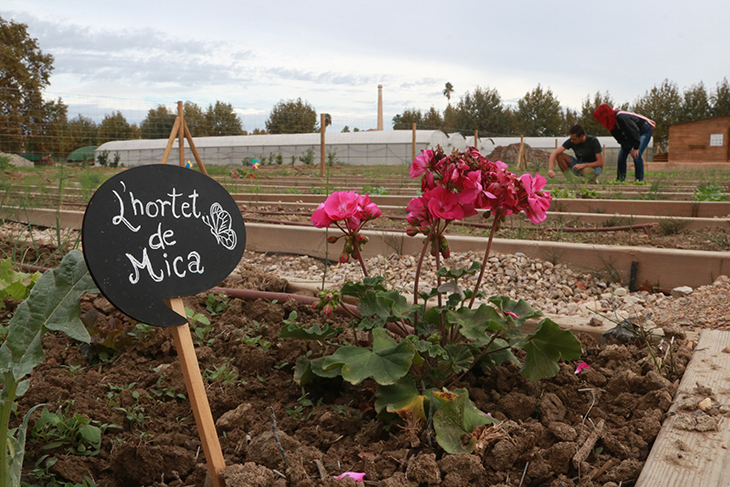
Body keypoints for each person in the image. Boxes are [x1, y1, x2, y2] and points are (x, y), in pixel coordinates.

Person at [593, 103, 655, 182]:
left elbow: (635, 131)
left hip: (644, 131)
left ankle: (639, 181)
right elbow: (621, 139)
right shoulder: (611, 125)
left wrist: (635, 148)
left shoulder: (621, 117)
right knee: (621, 156)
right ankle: (620, 179)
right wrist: (628, 149)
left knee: (637, 155)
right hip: (631, 134)